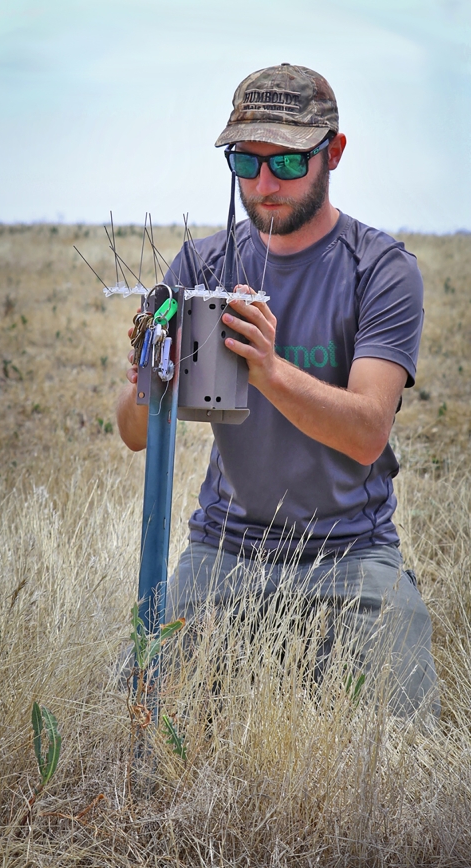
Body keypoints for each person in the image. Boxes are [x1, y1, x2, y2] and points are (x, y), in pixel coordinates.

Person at [117, 63, 439, 718]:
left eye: (288, 163)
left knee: (406, 753)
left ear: (334, 153)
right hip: (226, 545)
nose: (263, 185)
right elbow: (132, 431)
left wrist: (268, 369)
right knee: (143, 717)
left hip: (351, 549)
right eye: (245, 161)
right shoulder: (202, 265)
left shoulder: (379, 269)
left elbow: (367, 429)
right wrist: (151, 372)